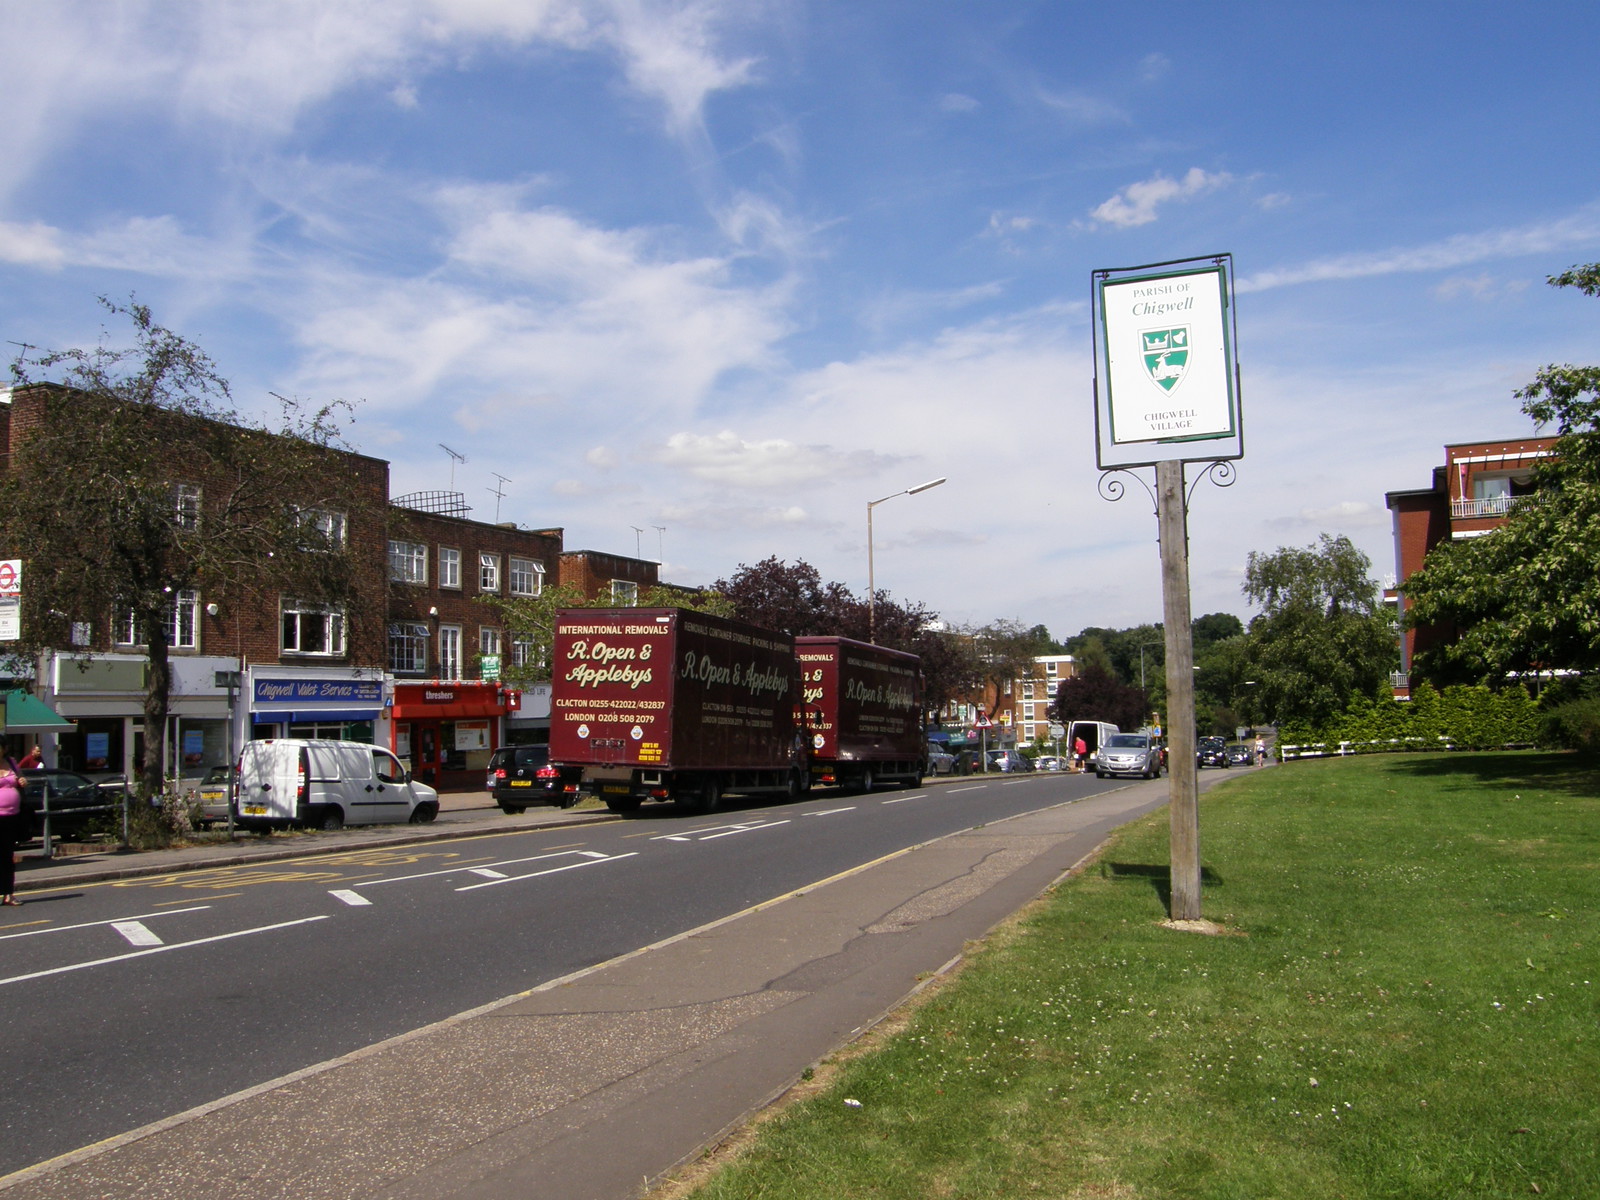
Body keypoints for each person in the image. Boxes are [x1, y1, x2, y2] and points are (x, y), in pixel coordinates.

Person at [0, 752, 25, 906]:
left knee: (7, 856)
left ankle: (9, 894)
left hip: (12, 816)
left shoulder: (11, 762)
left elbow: (21, 779)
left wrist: (22, 781)